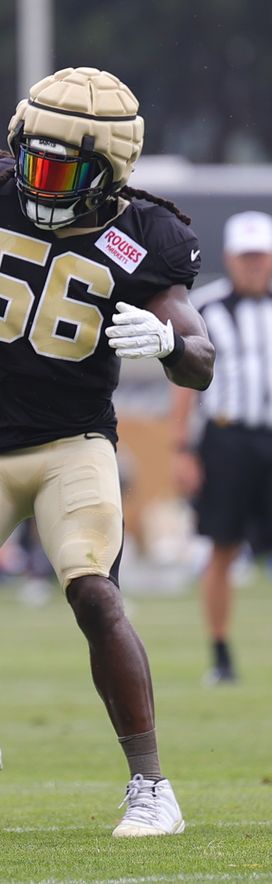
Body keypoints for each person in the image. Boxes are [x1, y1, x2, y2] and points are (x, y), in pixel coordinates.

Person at [0, 67, 214, 838]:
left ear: (110, 172)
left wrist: (171, 341)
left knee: (94, 592)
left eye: (61, 169)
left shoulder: (145, 234)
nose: (38, 181)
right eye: (30, 159)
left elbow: (199, 356)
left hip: (72, 439)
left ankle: (150, 787)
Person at [171, 210, 272, 685]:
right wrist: (181, 449)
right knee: (223, 546)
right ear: (231, 259)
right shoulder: (206, 310)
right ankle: (221, 653)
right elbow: (184, 386)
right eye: (247, 256)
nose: (254, 265)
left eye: (261, 256)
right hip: (227, 438)